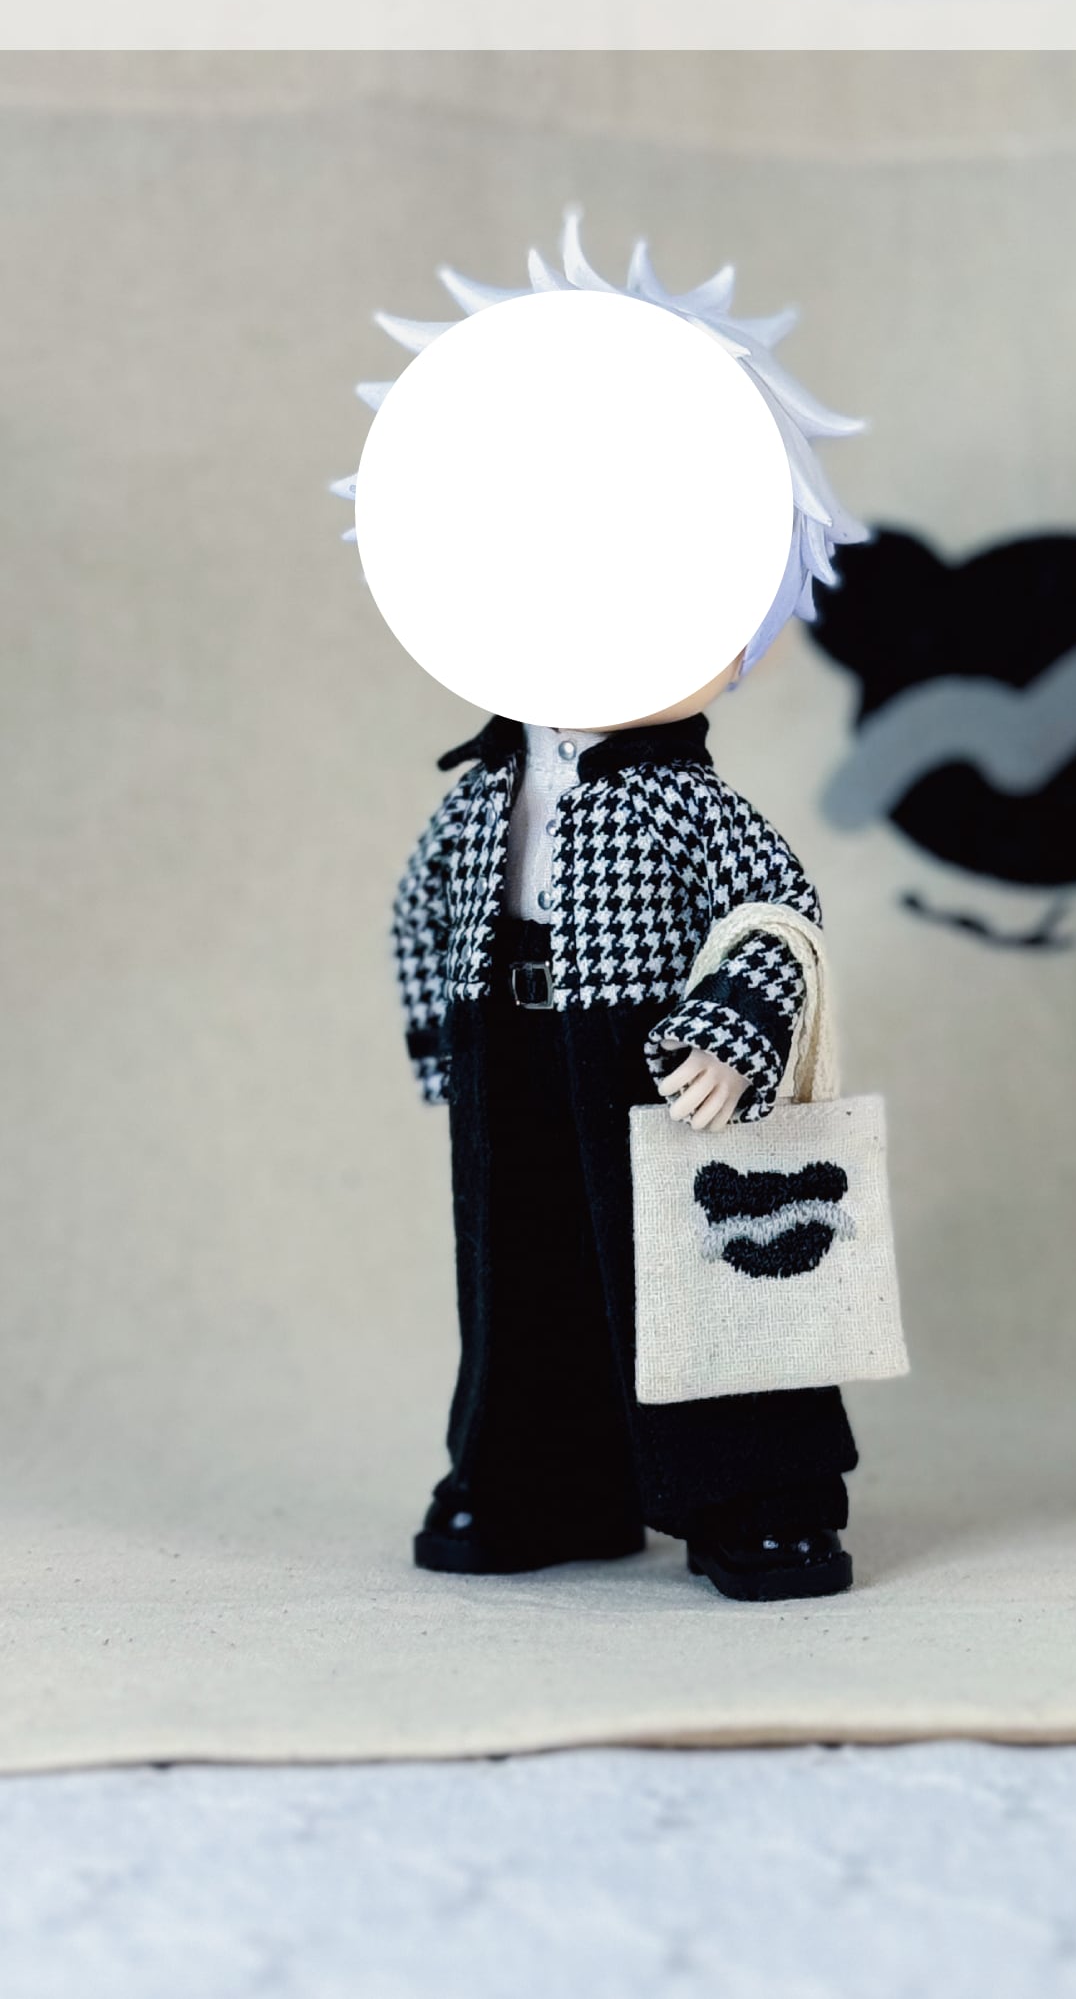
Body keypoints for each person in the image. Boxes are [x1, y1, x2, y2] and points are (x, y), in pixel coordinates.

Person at [361, 213, 870, 1600]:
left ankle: (754, 1497)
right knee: (519, 1272)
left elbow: (778, 913)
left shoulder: (683, 805)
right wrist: (442, 1041)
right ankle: (536, 1480)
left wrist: (735, 1033)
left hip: (651, 1045)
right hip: (507, 1040)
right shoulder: (484, 785)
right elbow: (424, 902)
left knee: (702, 1264)